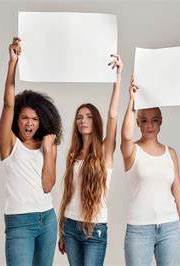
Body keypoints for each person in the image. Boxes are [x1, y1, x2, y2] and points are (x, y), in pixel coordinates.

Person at [0, 37, 63, 266]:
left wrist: (48, 151)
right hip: (19, 221)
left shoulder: (49, 146)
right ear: (17, 119)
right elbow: (7, 104)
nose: (29, 123)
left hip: (47, 220)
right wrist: (12, 63)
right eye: (24, 117)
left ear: (41, 121)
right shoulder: (9, 144)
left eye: (35, 119)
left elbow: (47, 185)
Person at [57, 54, 123, 266]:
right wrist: (62, 230)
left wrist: (118, 79)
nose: (83, 120)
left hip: (94, 228)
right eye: (79, 117)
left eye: (88, 117)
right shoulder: (73, 154)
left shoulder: (105, 151)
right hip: (70, 225)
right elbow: (68, 194)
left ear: (95, 121)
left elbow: (113, 116)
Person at [120, 76, 180, 266]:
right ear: (138, 123)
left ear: (160, 122)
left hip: (170, 227)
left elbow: (177, 189)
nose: (149, 125)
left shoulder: (171, 153)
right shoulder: (132, 151)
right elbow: (125, 136)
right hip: (139, 229)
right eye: (144, 120)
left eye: (154, 120)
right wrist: (132, 100)